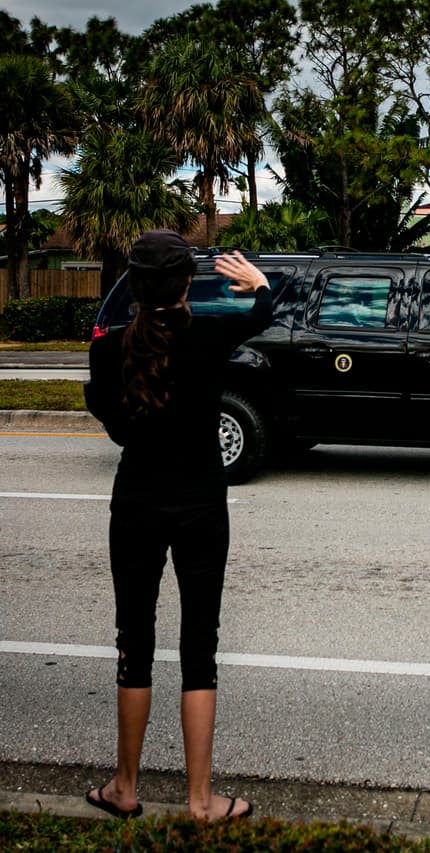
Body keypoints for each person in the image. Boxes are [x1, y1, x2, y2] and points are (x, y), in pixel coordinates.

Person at [83, 231, 272, 821]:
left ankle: (124, 788)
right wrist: (258, 283)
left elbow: (115, 425)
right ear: (187, 282)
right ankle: (200, 800)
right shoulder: (211, 335)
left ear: (135, 286)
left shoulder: (109, 350)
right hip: (201, 506)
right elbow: (263, 312)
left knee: (133, 643)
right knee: (199, 649)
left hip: (136, 503)